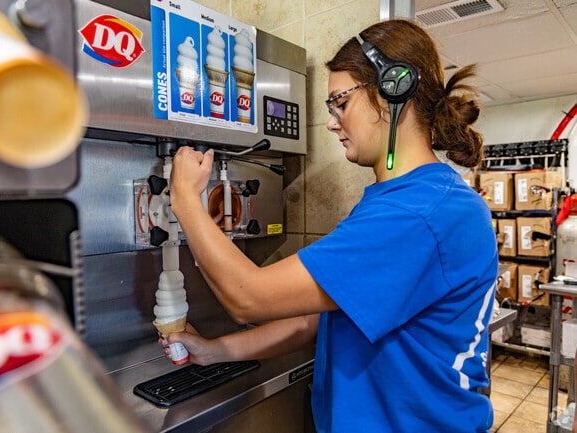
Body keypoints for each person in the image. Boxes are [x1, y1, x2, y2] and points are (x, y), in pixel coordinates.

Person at [164, 19, 498, 433]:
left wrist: (185, 200)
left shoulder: (418, 213)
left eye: (341, 102)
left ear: (394, 92)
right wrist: (214, 352)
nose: (332, 122)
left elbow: (247, 297)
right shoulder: (404, 200)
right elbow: (312, 319)